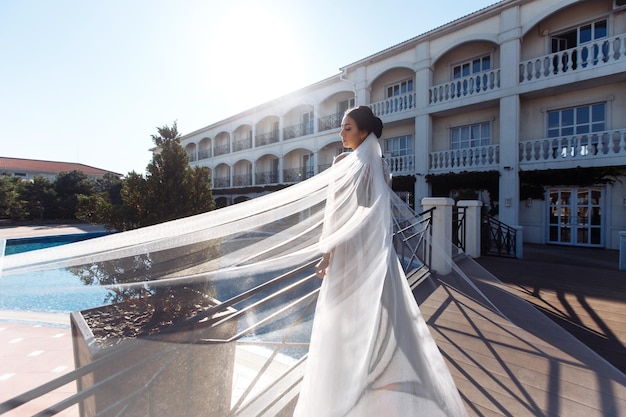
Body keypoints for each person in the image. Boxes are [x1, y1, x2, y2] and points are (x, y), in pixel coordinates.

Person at [293, 106, 468, 416]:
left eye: (347, 128)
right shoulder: (373, 165)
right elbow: (359, 215)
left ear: (363, 132)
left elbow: (339, 216)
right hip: (365, 253)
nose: (341, 133)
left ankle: (354, 394)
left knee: (355, 320)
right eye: (342, 127)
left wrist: (326, 254)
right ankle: (365, 388)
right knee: (365, 319)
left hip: (353, 253)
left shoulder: (350, 164)